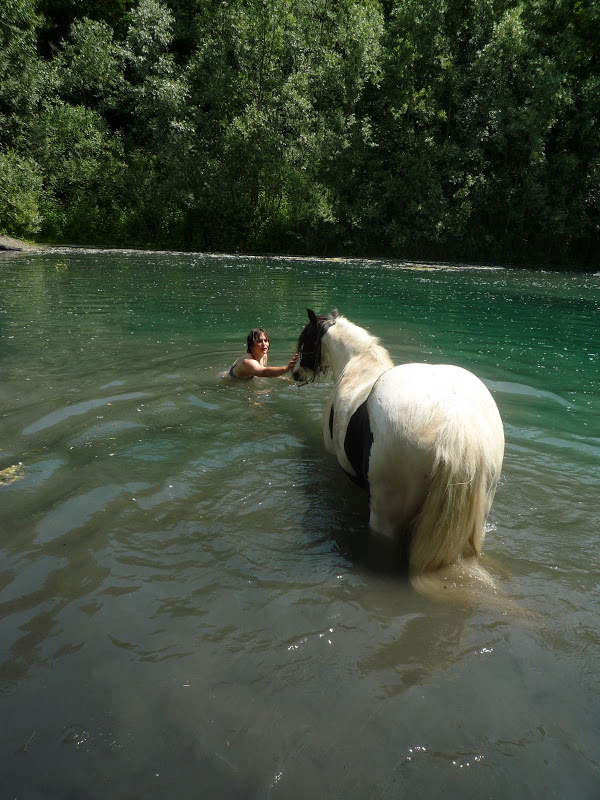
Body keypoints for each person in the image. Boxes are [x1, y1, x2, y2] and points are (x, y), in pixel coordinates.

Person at [229, 327, 297, 380]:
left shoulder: (264, 356)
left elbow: (262, 373)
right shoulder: (248, 362)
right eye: (259, 341)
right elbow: (264, 372)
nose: (264, 344)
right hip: (231, 383)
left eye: (266, 340)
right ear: (251, 344)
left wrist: (279, 377)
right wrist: (286, 368)